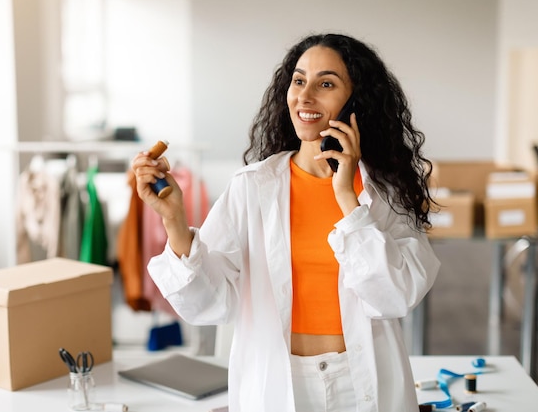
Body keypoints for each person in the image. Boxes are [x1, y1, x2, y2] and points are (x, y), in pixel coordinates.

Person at [131, 33, 441, 412]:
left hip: (364, 384)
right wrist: (175, 221)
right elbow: (208, 305)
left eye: (326, 83)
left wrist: (346, 196)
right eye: (298, 81)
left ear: (356, 100)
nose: (305, 96)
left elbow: (395, 296)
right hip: (277, 384)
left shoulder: (385, 193)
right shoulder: (253, 187)